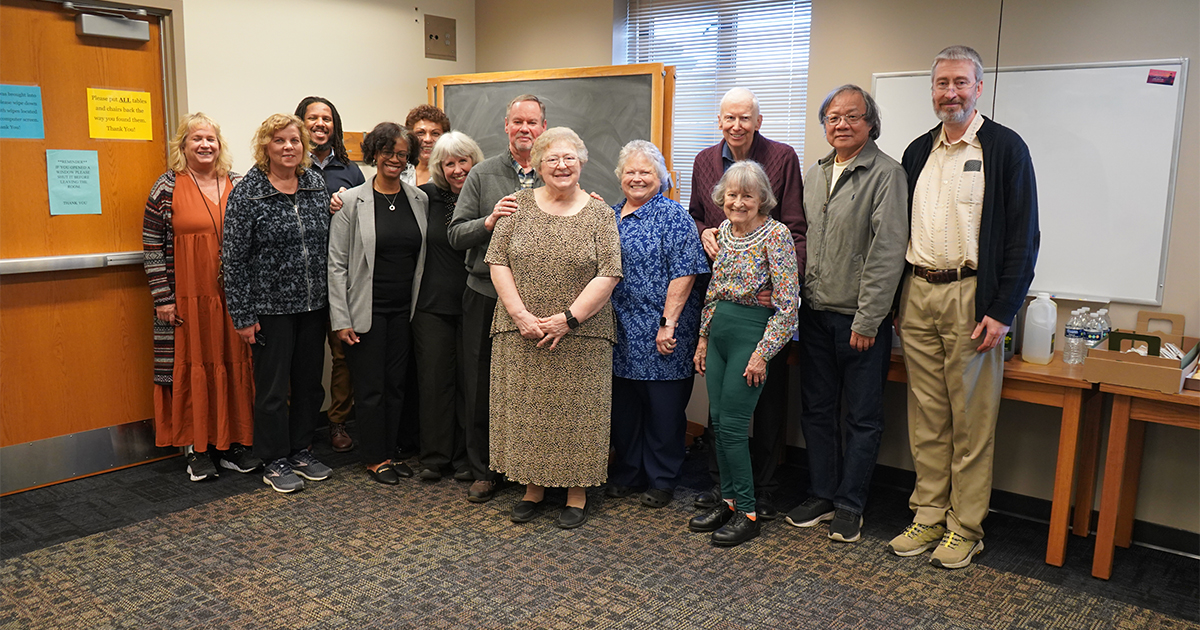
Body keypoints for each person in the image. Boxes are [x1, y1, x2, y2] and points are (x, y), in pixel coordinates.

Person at [888, 45, 1039, 569]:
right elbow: (895, 234)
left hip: (972, 297)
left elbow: (1024, 236)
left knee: (972, 420)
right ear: (932, 91)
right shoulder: (916, 151)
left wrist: (1003, 309)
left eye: (959, 82)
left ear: (979, 87)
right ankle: (928, 515)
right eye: (941, 84)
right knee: (926, 416)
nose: (949, 92)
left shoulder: (1005, 149)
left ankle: (965, 527)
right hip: (918, 291)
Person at [783, 85, 908, 543]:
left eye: (852, 117)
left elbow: (887, 252)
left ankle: (850, 503)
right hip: (813, 315)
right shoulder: (814, 174)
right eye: (833, 118)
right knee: (816, 411)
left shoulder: (887, 174)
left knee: (862, 416)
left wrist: (869, 318)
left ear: (870, 123)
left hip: (859, 322)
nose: (841, 125)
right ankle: (821, 492)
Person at [484, 127, 622, 529]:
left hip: (583, 335)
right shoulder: (516, 206)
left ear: (582, 163)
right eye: (552, 159)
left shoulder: (600, 214)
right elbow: (498, 261)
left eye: (569, 158)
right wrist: (521, 316)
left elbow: (609, 273)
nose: (561, 166)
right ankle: (532, 488)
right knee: (528, 411)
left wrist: (568, 319)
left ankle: (577, 492)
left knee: (579, 414)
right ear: (537, 165)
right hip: (520, 330)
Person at [688, 87, 806, 519]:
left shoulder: (775, 222)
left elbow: (794, 236)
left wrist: (776, 288)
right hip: (720, 327)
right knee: (721, 421)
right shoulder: (720, 217)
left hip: (759, 326)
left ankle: (755, 504)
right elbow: (714, 284)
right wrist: (702, 339)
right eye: (728, 118)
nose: (737, 202)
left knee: (747, 418)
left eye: (744, 118)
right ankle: (729, 496)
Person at [142, 113, 260, 482]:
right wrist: (163, 298)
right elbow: (151, 247)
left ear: (220, 144)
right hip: (188, 300)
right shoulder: (165, 187)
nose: (205, 145)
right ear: (183, 145)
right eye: (197, 139)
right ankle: (199, 449)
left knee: (235, 362)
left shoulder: (239, 184)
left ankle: (233, 443)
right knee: (196, 366)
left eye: (211, 138)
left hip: (235, 299)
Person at [223, 113, 334, 494]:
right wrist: (242, 314)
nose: (289, 147)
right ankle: (274, 458)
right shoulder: (248, 191)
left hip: (313, 304)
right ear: (265, 147)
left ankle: (302, 449)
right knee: (272, 390)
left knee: (308, 384)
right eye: (279, 141)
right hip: (269, 309)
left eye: (295, 141)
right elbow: (233, 258)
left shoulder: (315, 184)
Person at [448, 94, 547, 504]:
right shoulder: (483, 174)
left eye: (533, 122)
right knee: (478, 383)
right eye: (517, 121)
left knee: (531, 387)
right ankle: (484, 470)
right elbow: (455, 235)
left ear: (544, 127)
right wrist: (489, 220)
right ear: (506, 125)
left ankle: (528, 469)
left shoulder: (557, 172)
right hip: (485, 295)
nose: (525, 128)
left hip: (540, 298)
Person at [606, 140, 709, 509]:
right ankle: (631, 471)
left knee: (663, 410)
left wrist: (668, 323)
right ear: (620, 177)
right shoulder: (610, 216)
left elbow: (685, 273)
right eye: (630, 172)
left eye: (645, 172)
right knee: (626, 409)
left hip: (663, 328)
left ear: (661, 178)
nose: (637, 178)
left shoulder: (673, 216)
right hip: (620, 330)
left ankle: (663, 478)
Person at [328, 122, 427, 485]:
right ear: (374, 153)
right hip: (364, 310)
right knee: (370, 387)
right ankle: (374, 457)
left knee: (396, 385)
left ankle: (391, 450)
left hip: (405, 310)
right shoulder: (352, 200)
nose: (395, 160)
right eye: (388, 152)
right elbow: (336, 263)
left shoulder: (419, 199)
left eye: (402, 154)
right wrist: (341, 318)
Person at [295, 96, 364, 454]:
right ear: (300, 123)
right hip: (301, 281)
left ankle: (338, 422)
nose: (320, 124)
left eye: (326, 118)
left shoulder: (351, 171)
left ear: (334, 126)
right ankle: (301, 428)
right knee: (304, 359)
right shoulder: (288, 164)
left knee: (342, 356)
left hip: (340, 278)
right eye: (312, 118)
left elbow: (364, 221)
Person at [412, 131, 483, 482]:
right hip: (432, 304)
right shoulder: (424, 198)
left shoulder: (486, 198)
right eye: (449, 163)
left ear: (474, 161)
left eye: (463, 161)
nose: (457, 170)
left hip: (476, 301)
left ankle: (467, 459)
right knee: (435, 381)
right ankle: (435, 457)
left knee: (471, 384)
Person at [403, 104, 451, 187]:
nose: (427, 139)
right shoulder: (400, 170)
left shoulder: (451, 173)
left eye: (435, 133)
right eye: (420, 133)